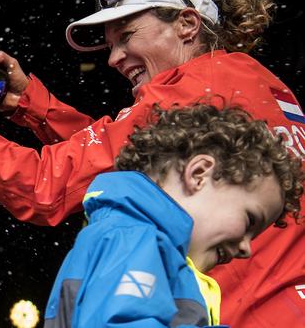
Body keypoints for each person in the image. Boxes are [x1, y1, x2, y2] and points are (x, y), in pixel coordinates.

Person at [0, 0, 305, 326]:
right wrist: (26, 103)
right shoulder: (257, 82)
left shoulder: (186, 91)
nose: (113, 59)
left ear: (187, 24)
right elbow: (128, 151)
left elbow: (41, 188)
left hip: (249, 314)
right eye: (111, 46)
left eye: (127, 37)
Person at [44, 104, 303, 327]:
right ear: (199, 174)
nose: (246, 248)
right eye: (249, 221)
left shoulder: (140, 244)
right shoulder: (133, 238)